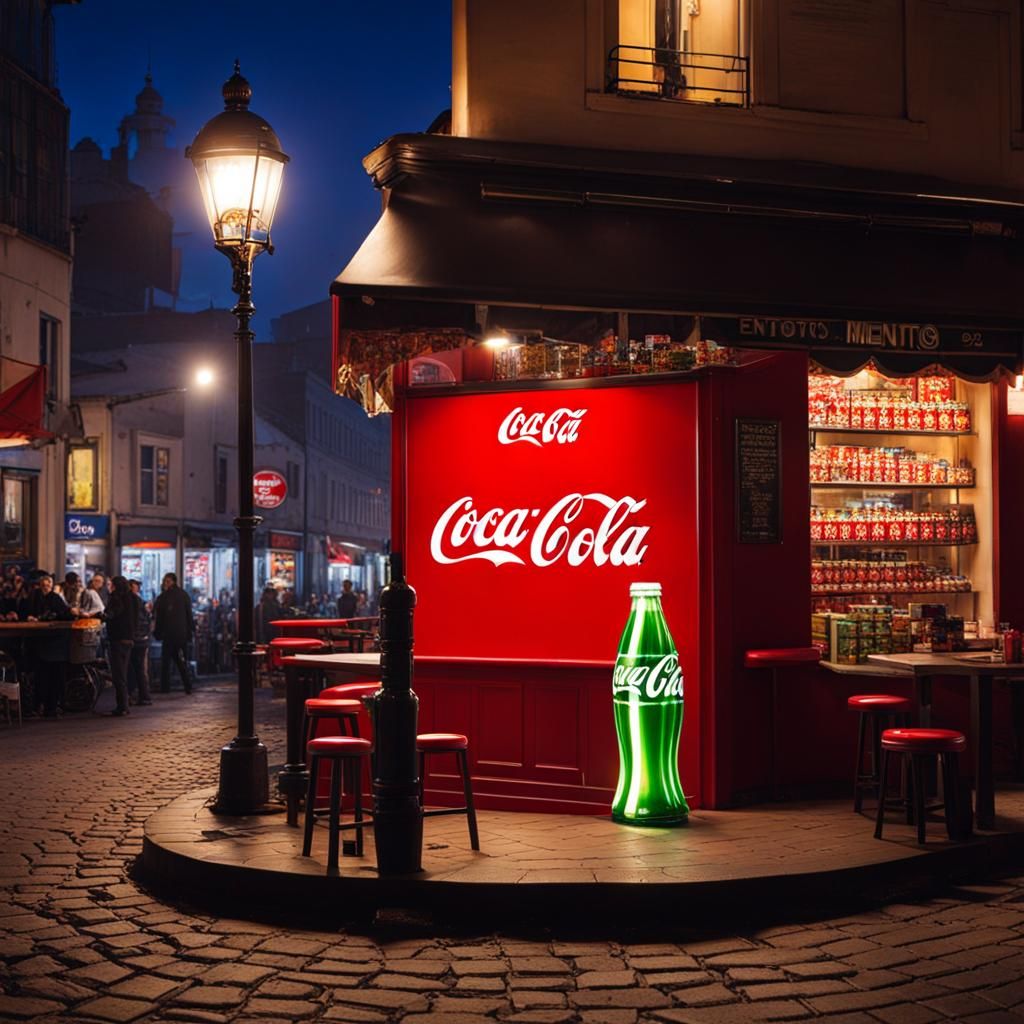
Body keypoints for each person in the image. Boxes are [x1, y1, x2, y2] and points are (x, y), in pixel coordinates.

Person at [21, 573, 72, 717]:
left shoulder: (52, 599)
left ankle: (47, 706)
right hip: (45, 644)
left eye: (48, 585)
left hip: (49, 644)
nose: (45, 587)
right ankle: (45, 706)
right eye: (43, 585)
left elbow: (63, 614)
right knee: (45, 678)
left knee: (48, 678)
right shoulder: (35, 598)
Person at [153, 572, 194, 694]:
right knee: (181, 660)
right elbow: (189, 615)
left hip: (169, 634)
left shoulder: (163, 597)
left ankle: (165, 687)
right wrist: (190, 632)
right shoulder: (184, 595)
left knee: (166, 661)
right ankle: (187, 686)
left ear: (172, 582)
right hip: (181, 634)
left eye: (167, 581)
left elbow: (159, 617)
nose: (165, 583)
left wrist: (158, 633)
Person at [103, 576, 137, 716]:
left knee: (118, 674)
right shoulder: (133, 598)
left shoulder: (117, 598)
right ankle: (124, 704)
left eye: (111, 584)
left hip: (118, 639)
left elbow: (111, 615)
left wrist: (101, 615)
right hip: (129, 639)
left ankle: (122, 706)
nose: (110, 587)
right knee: (123, 672)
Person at [127, 579, 152, 706]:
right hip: (143, 639)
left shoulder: (131, 602)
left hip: (135, 639)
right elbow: (147, 621)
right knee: (140, 668)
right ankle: (144, 695)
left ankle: (134, 695)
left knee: (132, 668)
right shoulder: (142, 602)